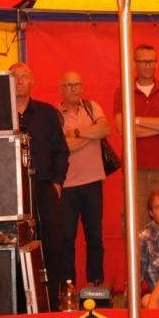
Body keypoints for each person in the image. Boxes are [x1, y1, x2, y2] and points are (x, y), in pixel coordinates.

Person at [10, 62, 70, 310]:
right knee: (14, 245)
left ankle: (51, 301)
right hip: (10, 192)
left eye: (25, 77)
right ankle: (18, 304)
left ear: (32, 82)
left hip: (44, 188)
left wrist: (57, 183)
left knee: (54, 244)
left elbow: (61, 151)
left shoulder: (46, 113)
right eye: (15, 76)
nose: (20, 81)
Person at [114, 44, 159, 232]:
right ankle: (138, 254)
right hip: (134, 168)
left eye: (151, 61)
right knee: (135, 221)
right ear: (134, 63)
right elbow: (123, 130)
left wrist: (137, 120)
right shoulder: (123, 91)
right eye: (142, 61)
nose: (147, 65)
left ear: (157, 63)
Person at [58, 70, 110, 288]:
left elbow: (105, 129)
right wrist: (91, 135)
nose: (74, 89)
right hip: (67, 186)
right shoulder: (55, 114)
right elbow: (63, 146)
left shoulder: (91, 107)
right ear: (61, 89)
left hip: (93, 182)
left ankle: (96, 284)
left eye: (77, 84)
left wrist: (77, 132)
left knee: (95, 237)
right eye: (69, 85)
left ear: (82, 87)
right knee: (66, 239)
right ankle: (68, 286)